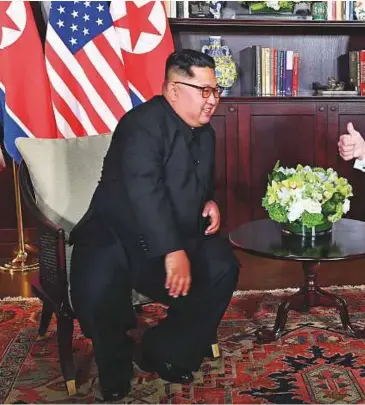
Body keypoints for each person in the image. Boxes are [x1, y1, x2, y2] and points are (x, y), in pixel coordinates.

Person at [70, 49, 240, 402]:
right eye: (204, 91)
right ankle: (115, 370)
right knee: (98, 290)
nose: (213, 100)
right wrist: (172, 251)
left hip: (173, 234)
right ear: (173, 89)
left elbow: (198, 183)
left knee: (222, 266)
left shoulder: (205, 133)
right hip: (113, 234)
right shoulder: (141, 123)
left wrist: (210, 202)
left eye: (216, 90)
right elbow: (144, 191)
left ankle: (162, 350)